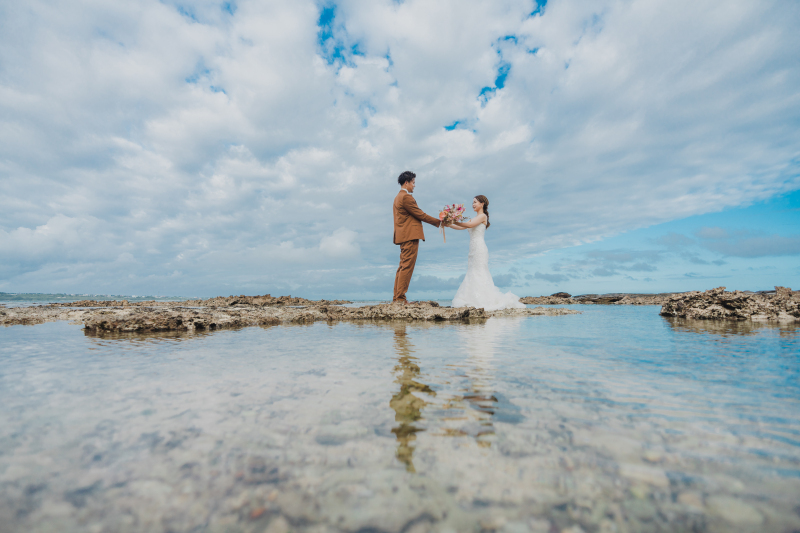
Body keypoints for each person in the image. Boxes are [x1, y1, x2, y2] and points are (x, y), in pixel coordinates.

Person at [447, 195, 525, 311]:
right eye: (472, 202)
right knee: (472, 272)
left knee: (480, 272)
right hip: (472, 249)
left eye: (475, 202)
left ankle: (483, 300)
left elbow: (468, 225)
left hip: (479, 248)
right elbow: (461, 227)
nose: (473, 204)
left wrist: (454, 220)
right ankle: (471, 298)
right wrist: (448, 224)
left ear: (482, 204)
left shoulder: (482, 216)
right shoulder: (474, 218)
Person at [392, 171, 441, 303]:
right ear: (406, 182)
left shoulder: (397, 197)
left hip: (403, 235)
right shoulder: (406, 197)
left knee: (402, 266)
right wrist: (439, 222)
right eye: (413, 183)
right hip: (410, 235)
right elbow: (420, 214)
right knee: (407, 266)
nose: (414, 186)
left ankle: (397, 298)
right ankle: (400, 298)